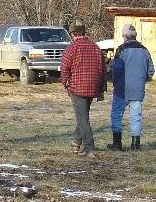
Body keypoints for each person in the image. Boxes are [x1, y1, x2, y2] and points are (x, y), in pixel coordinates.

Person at [60, 19, 106, 158]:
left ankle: (89, 148)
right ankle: (75, 143)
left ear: (73, 34)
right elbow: (103, 69)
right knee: (83, 116)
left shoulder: (72, 48)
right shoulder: (96, 47)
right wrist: (101, 88)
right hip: (93, 87)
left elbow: (64, 69)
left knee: (83, 118)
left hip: (78, 88)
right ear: (84, 32)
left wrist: (66, 84)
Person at [107, 24, 154, 151]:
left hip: (122, 89)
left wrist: (115, 82)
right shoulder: (145, 50)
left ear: (124, 36)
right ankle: (135, 144)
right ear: (135, 35)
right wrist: (142, 81)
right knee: (136, 116)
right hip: (138, 90)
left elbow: (116, 70)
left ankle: (117, 144)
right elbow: (151, 71)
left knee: (116, 114)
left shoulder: (121, 49)